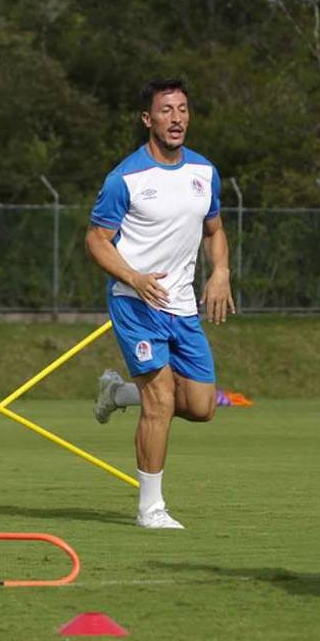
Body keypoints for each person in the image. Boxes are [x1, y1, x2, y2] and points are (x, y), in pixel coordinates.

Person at [86, 78, 234, 530]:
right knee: (160, 401)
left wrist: (221, 272)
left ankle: (116, 393)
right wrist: (133, 277)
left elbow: (214, 230)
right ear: (148, 120)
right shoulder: (124, 178)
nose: (177, 119)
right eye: (166, 111)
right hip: (135, 302)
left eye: (183, 109)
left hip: (183, 307)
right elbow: (96, 240)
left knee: (202, 406)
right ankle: (150, 508)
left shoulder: (204, 173)